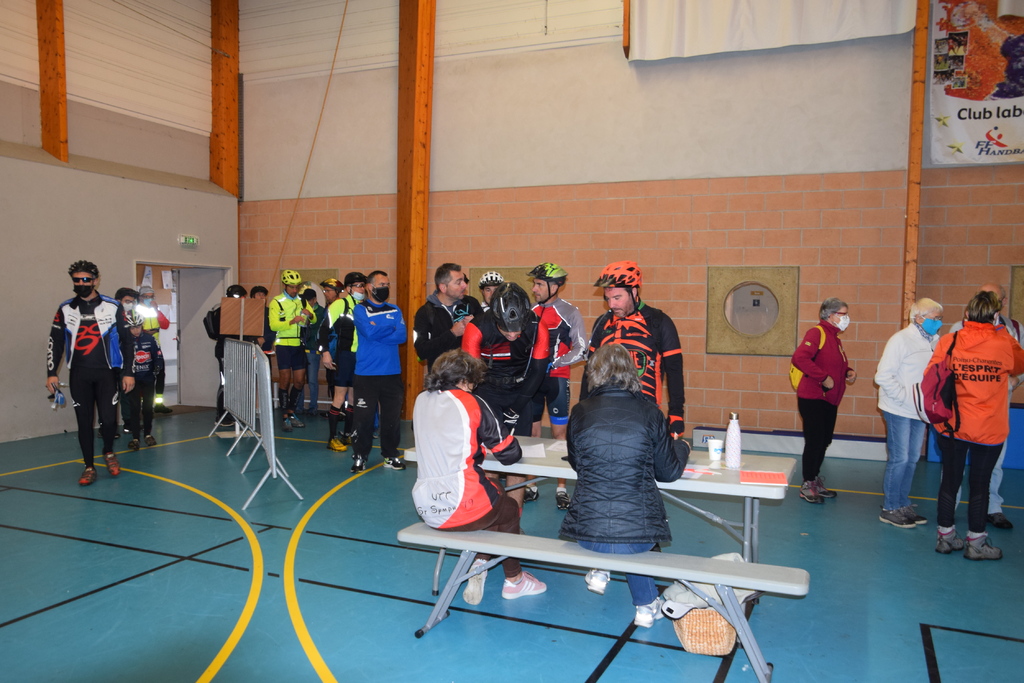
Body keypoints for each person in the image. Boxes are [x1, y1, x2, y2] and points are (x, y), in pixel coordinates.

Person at [559, 344, 683, 627]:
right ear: (633, 372)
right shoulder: (650, 412)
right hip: (638, 533)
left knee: (616, 526)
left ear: (594, 373)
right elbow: (668, 472)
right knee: (631, 534)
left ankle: (602, 566)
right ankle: (646, 606)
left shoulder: (579, 412)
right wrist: (682, 448)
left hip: (587, 530)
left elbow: (578, 464)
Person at [412, 349, 547, 604]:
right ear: (465, 380)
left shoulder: (421, 399)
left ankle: (480, 562)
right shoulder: (471, 401)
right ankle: (514, 579)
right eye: (473, 382)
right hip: (462, 504)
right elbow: (509, 454)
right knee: (508, 509)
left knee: (493, 495)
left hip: (427, 505)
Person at [931, 290, 1024, 560]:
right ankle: (977, 543)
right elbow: (1019, 365)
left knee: (950, 481)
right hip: (989, 428)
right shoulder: (1003, 342)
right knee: (980, 485)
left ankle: (945, 537)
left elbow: (932, 375)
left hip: (953, 425)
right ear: (996, 316)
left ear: (967, 314)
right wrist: (1000, 331)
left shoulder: (950, 340)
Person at [46, 260, 135, 486]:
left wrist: (128, 372)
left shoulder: (113, 306)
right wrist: (51, 372)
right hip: (79, 374)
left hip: (107, 374)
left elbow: (127, 342)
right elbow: (55, 342)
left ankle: (108, 451)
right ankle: (88, 466)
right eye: (76, 280)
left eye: (85, 279)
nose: (81, 284)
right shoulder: (65, 308)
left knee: (108, 419)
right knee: (84, 422)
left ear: (95, 280)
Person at [462, 282, 550, 504]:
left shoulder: (537, 325)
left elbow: (538, 372)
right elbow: (470, 376)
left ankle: (514, 515)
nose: (512, 334)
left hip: (521, 391)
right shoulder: (477, 327)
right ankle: (493, 512)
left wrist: (516, 408)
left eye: (518, 329)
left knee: (517, 460)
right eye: (506, 329)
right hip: (486, 390)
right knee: (489, 458)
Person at [949, 281, 1023, 530]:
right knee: (954, 466)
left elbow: (1021, 362)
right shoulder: (958, 328)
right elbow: (945, 366)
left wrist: (1016, 379)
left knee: (995, 462)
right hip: (963, 409)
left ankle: (993, 508)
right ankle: (949, 509)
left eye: (992, 297)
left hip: (995, 410)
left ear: (1002, 303)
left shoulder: (1014, 330)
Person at [583, 261, 685, 438]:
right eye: (607, 299)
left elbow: (674, 371)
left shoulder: (659, 322)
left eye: (617, 298)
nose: (611, 305)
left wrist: (676, 413)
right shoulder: (602, 323)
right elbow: (590, 370)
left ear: (634, 292)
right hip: (605, 412)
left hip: (645, 413)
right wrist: (584, 408)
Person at [874, 298, 943, 528]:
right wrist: (904, 397)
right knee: (900, 458)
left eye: (939, 318)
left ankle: (902, 503)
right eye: (934, 318)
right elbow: (883, 376)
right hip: (898, 409)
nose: (938, 322)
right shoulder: (900, 340)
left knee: (912, 459)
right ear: (919, 317)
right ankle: (890, 508)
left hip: (920, 411)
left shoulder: (935, 341)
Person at [528, 263, 586, 510]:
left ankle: (561, 488)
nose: (534, 289)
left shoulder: (570, 312)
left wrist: (555, 362)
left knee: (560, 435)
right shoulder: (529, 311)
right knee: (531, 435)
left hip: (557, 379)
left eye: (539, 284)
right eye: (534, 284)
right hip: (532, 382)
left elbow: (582, 348)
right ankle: (530, 485)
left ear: (555, 286)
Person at [791, 297, 856, 504]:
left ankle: (815, 479)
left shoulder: (834, 337)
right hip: (813, 397)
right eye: (843, 314)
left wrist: (847, 371)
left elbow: (833, 363)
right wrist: (823, 377)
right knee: (815, 440)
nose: (846, 318)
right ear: (830, 315)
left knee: (824, 440)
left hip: (830, 398)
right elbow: (800, 358)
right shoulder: (817, 333)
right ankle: (807, 483)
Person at [350, 270, 407, 472]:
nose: (385, 288)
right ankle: (360, 456)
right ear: (370, 287)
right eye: (382, 284)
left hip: (392, 373)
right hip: (366, 374)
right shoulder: (360, 310)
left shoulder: (395, 309)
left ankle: (390, 455)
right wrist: (389, 328)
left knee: (391, 418)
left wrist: (379, 329)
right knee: (363, 418)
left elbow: (401, 336)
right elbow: (368, 332)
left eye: (387, 285)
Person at [320, 272, 367, 451]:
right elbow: (323, 329)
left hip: (360, 357)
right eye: (357, 286)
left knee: (353, 398)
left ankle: (347, 434)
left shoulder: (363, 307)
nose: (361, 289)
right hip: (344, 356)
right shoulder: (340, 304)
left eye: (363, 286)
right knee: (339, 397)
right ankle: (332, 438)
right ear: (348, 288)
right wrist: (325, 352)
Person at [269, 270, 317, 432]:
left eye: (297, 287)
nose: (294, 290)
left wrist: (310, 315)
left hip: (299, 344)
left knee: (299, 381)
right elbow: (273, 325)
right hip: (283, 345)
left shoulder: (302, 300)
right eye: (291, 287)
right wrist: (291, 321)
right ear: (285, 285)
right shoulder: (277, 301)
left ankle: (291, 412)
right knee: (285, 379)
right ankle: (284, 416)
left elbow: (314, 318)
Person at [413, 263, 484, 371]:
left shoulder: (472, 304)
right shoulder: (425, 313)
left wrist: (476, 325)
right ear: (443, 287)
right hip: (442, 376)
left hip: (470, 374)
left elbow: (490, 340)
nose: (464, 285)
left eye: (463, 281)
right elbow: (422, 351)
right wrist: (452, 334)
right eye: (458, 282)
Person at [206, 284, 249, 425]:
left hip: (238, 351)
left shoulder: (243, 311)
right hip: (225, 351)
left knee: (237, 383)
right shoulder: (221, 311)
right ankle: (222, 415)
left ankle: (235, 413)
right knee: (226, 383)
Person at [123, 310, 164, 450]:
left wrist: (158, 366)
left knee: (147, 408)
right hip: (132, 380)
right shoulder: (124, 341)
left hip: (148, 378)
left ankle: (147, 434)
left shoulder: (150, 339)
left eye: (138, 327)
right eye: (132, 328)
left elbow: (158, 355)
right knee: (134, 408)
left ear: (142, 326)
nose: (136, 330)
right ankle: (135, 437)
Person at [136, 285, 172, 413]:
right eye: (146, 297)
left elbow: (165, 325)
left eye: (151, 297)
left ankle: (159, 404)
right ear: (140, 297)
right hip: (141, 347)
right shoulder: (136, 310)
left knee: (160, 374)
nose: (149, 299)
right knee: (143, 376)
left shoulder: (155, 309)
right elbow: (133, 328)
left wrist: (156, 310)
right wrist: (146, 332)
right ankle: (143, 404)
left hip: (156, 347)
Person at [113, 287, 139, 435]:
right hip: (111, 363)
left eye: (133, 302)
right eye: (127, 301)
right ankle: (107, 427)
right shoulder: (109, 318)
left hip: (126, 363)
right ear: (118, 301)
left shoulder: (132, 317)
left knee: (127, 394)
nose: (130, 305)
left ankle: (129, 423)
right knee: (109, 396)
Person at [298, 286, 327, 416]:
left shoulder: (320, 311)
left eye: (310, 300)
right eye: (306, 300)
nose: (308, 302)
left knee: (312, 381)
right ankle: (299, 406)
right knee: (299, 379)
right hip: (301, 348)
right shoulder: (301, 310)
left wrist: (309, 316)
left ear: (315, 299)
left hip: (313, 349)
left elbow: (316, 326)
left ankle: (313, 407)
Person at [250, 285, 275, 352]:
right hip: (249, 346)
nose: (261, 297)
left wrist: (264, 339)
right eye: (258, 294)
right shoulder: (247, 312)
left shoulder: (270, 311)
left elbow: (275, 330)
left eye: (263, 295)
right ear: (252, 297)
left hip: (266, 346)